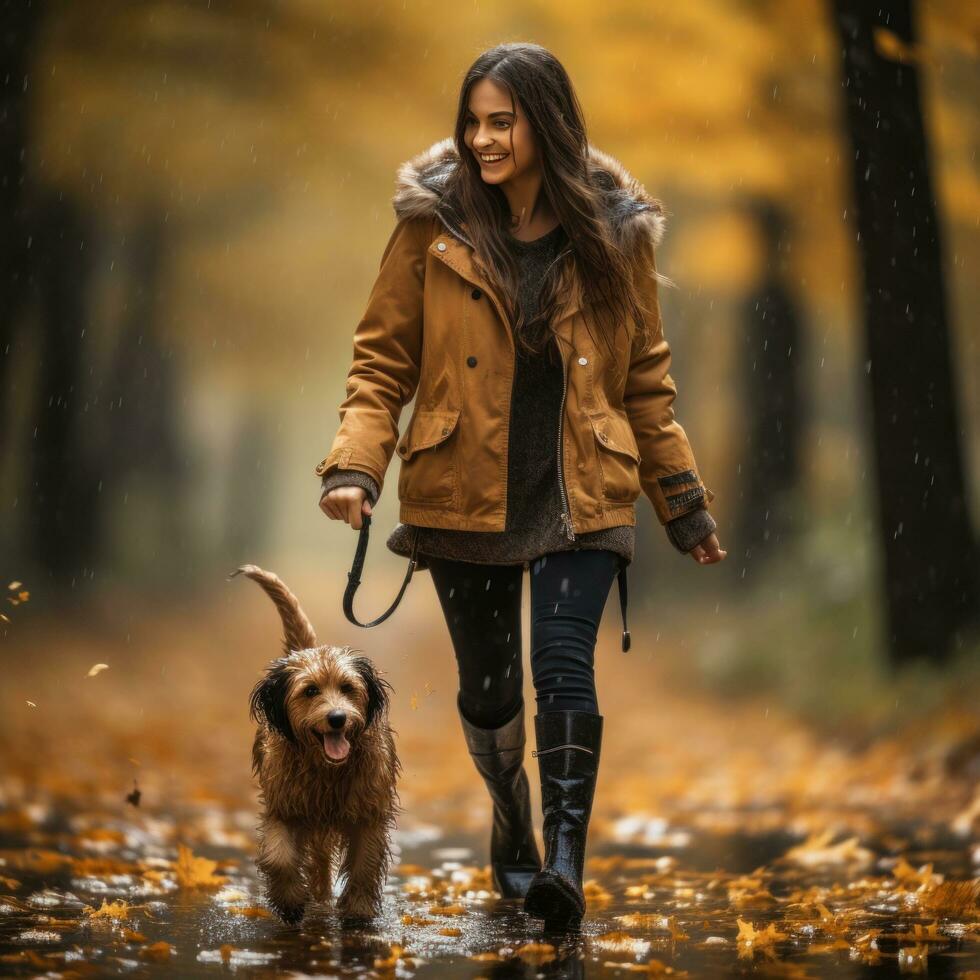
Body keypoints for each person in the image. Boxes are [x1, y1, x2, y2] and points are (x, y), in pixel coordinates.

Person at [316, 42, 726, 930]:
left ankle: (566, 865)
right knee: (493, 693)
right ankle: (513, 819)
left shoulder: (616, 235)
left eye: (501, 120)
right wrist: (355, 465)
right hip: (464, 488)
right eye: (473, 121)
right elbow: (382, 358)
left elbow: (646, 381)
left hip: (584, 490)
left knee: (563, 668)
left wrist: (682, 501)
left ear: (547, 122)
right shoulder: (434, 228)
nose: (482, 137)